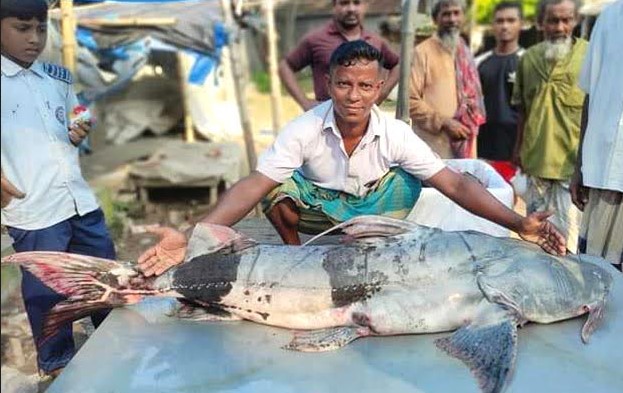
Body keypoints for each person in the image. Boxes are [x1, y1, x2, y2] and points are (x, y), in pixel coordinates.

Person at [137, 40, 566, 278]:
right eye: (344, 84)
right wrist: (193, 235)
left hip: (374, 211)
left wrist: (517, 223)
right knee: (275, 187)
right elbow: (252, 184)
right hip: (322, 209)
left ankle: (376, 251)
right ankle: (294, 255)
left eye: (365, 86)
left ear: (379, 88)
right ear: (328, 82)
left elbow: (455, 183)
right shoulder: (305, 126)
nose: (354, 96)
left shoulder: (395, 132)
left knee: (416, 177)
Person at [1, 0, 115, 379]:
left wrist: (81, 125)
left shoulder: (57, 77)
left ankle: (118, 342)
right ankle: (57, 367)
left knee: (105, 275)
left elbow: (78, 111)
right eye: (22, 28)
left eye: (41, 28)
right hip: (34, 207)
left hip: (78, 199)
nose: (35, 39)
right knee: (46, 292)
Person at [511, 0, 586, 253]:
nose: (560, 27)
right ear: (541, 22)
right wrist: (518, 147)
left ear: (575, 21)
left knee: (571, 243)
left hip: (573, 168)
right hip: (535, 163)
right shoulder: (528, 59)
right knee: (537, 240)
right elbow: (522, 109)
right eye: (553, 20)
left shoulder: (588, 56)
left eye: (566, 20)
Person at [570, 0, 623, 271]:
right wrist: (580, 166)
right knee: (596, 275)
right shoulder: (609, 17)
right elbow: (591, 93)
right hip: (602, 175)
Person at [278, 0, 399, 111]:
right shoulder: (316, 39)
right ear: (334, 6)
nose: (351, 8)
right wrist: (304, 102)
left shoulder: (375, 41)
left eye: (356, 3)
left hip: (365, 115)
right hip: (325, 115)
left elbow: (397, 64)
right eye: (344, 3)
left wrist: (381, 94)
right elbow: (285, 66)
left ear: (365, 7)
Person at [409, 0, 485, 159]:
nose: (452, 19)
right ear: (435, 19)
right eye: (446, 14)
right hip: (434, 147)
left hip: (466, 142)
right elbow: (410, 100)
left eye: (456, 13)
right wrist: (444, 122)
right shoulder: (422, 52)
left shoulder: (464, 50)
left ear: (463, 17)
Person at [475, 1, 524, 185]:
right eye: (500, 21)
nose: (505, 26)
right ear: (493, 25)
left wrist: (522, 150)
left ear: (521, 24)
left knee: (517, 205)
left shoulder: (527, 62)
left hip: (516, 151)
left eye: (511, 20)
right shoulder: (479, 62)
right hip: (483, 149)